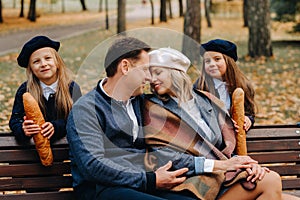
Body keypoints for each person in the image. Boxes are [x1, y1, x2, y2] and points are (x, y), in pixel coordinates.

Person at [145, 47, 292, 200]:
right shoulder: (153, 108)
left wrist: (247, 164)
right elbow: (163, 155)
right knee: (271, 180)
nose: (152, 79)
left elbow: (222, 149)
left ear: (175, 72)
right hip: (193, 184)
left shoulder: (205, 100)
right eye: (150, 75)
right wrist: (221, 165)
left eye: (158, 72)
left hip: (224, 177)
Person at [66, 36, 200, 200]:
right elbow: (94, 166)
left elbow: (183, 105)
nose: (150, 78)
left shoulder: (141, 103)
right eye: (145, 70)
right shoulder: (86, 109)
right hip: (103, 189)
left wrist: (231, 120)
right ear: (125, 67)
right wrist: (150, 180)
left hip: (141, 184)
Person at [9, 35, 82, 143]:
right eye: (36, 61)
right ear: (31, 69)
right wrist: (22, 129)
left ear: (57, 62)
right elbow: (15, 120)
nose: (43, 64)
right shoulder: (25, 90)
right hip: (33, 152)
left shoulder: (71, 87)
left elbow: (79, 119)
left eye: (48, 58)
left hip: (65, 149)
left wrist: (57, 127)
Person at [195, 39, 255, 131]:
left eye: (217, 59)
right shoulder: (200, 86)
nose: (212, 64)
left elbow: (249, 112)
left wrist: (248, 119)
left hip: (237, 134)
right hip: (209, 136)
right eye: (207, 61)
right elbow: (196, 114)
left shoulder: (243, 85)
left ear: (229, 62)